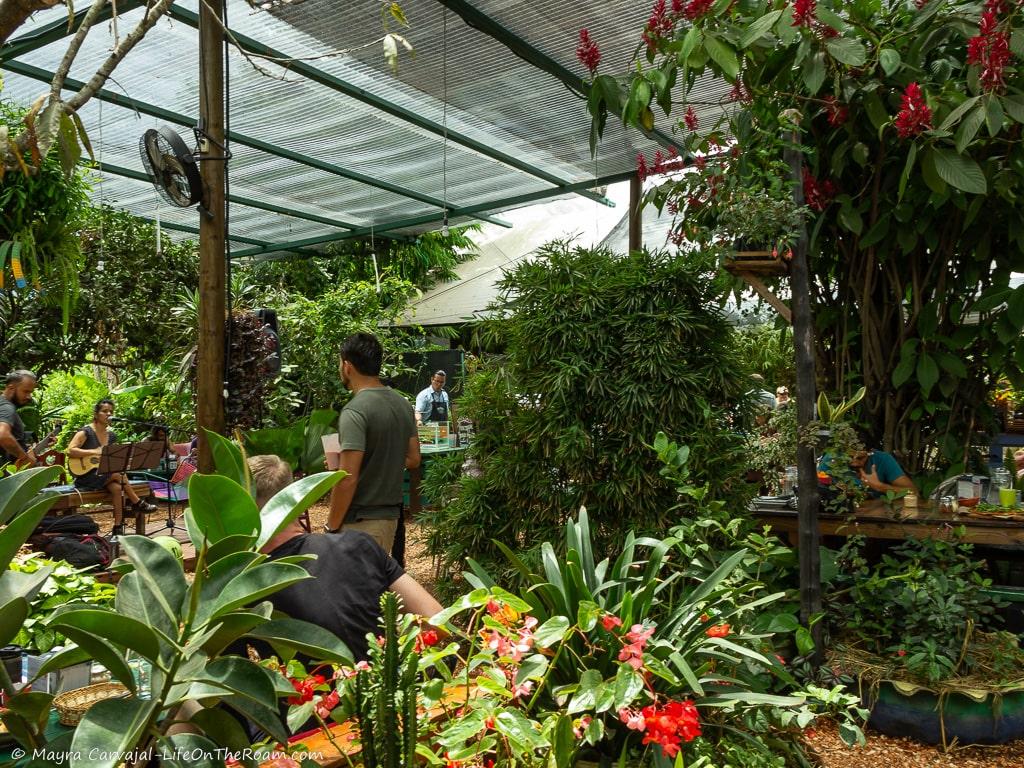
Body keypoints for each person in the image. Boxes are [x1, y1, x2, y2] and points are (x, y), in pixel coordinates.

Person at [251, 454, 441, 660]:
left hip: (308, 690)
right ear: (299, 498)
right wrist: (390, 664)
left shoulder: (244, 587)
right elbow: (436, 621)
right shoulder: (358, 545)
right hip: (384, 686)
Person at [325, 333, 420, 554]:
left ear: (347, 366)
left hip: (359, 522)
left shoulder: (355, 410)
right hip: (390, 520)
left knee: (355, 588)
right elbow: (414, 458)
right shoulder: (402, 404)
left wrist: (331, 526)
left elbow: (347, 479)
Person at [66, 399, 157, 535]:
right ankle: (137, 502)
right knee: (117, 474)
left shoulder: (111, 436)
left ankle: (118, 527)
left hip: (104, 475)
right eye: (104, 411)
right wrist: (94, 452)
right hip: (86, 476)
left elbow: (110, 458)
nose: (108, 414)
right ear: (96, 414)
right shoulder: (86, 432)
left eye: (111, 412)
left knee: (117, 488)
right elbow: (70, 450)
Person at [0, 370, 53, 468]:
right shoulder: (7, 408)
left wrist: (41, 444)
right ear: (11, 388)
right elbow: (3, 435)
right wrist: (25, 458)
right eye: (26, 391)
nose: (29, 397)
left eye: (31, 392)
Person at [818, 446, 917, 497]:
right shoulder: (831, 459)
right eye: (850, 457)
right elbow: (815, 488)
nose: (854, 463)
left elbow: (914, 492)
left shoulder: (883, 459)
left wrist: (880, 487)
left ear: (870, 452)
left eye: (860, 458)